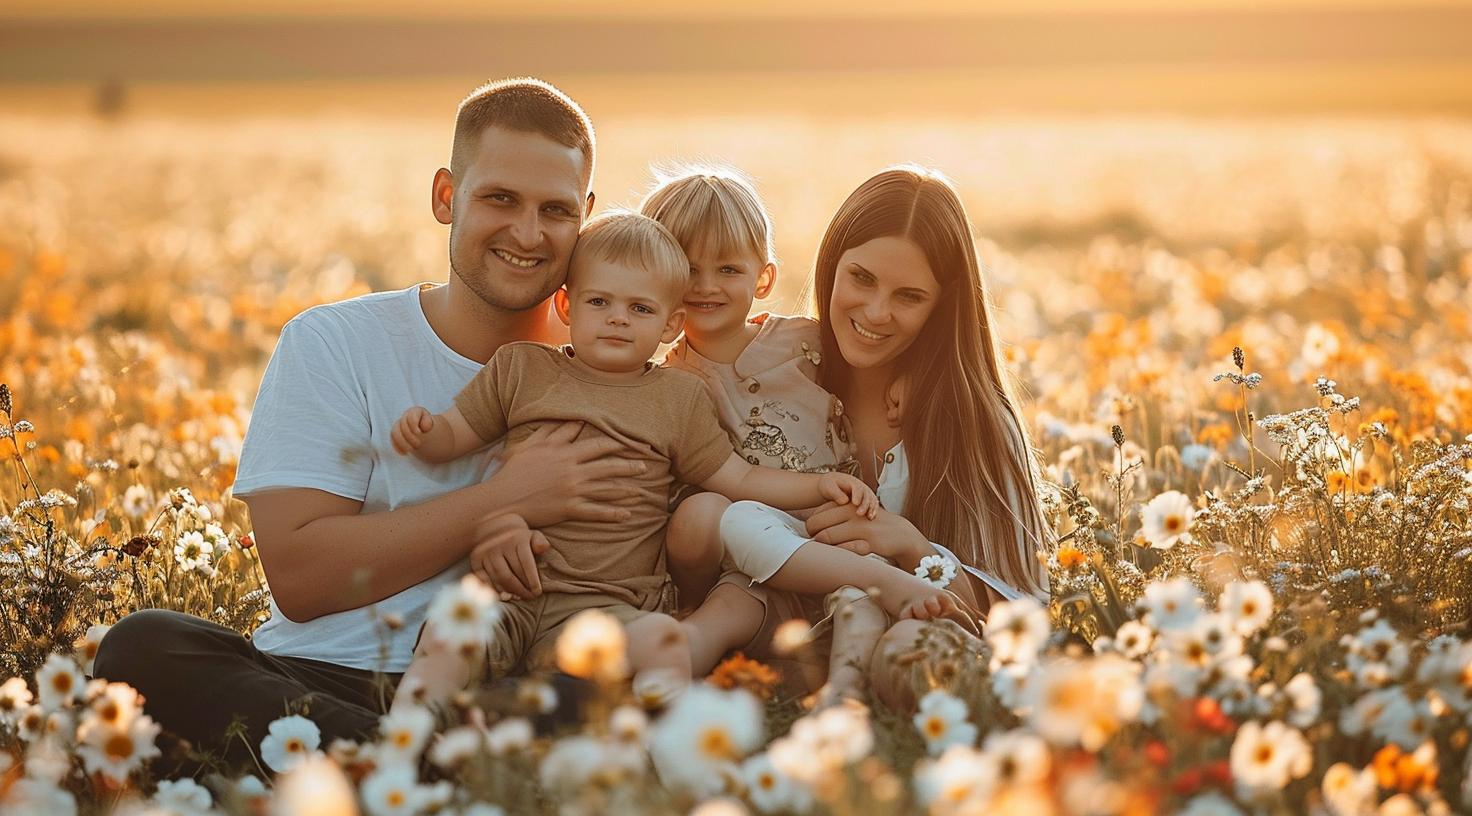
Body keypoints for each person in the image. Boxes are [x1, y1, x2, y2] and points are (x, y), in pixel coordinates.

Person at [92, 78, 637, 761]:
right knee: (144, 648)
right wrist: (504, 499)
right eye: (500, 198)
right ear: (446, 196)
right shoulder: (335, 342)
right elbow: (302, 579)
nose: (527, 234)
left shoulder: (617, 364)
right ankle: (428, 768)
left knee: (609, 686)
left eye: (555, 210)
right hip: (313, 681)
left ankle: (398, 769)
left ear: (584, 216)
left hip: (502, 685)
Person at [389, 210, 900, 707]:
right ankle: (412, 731)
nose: (617, 318)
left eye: (640, 309)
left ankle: (658, 744)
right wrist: (428, 433)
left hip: (609, 610)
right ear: (566, 307)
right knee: (452, 627)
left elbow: (738, 476)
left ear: (670, 324)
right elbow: (460, 432)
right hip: (509, 592)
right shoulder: (522, 369)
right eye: (599, 302)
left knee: (665, 640)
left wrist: (818, 486)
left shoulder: (677, 397)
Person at [678, 165, 1053, 708]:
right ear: (831, 267)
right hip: (769, 625)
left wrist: (910, 545)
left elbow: (1023, 606)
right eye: (861, 279)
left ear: (942, 306)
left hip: (904, 627)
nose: (876, 313)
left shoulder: (970, 418)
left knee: (907, 650)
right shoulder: (786, 369)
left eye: (909, 296)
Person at [638, 165, 974, 699]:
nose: (703, 286)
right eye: (686, 268)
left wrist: (912, 378)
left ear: (764, 279)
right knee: (728, 544)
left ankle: (840, 700)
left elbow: (871, 354)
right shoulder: (663, 383)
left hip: (841, 535)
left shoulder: (803, 343)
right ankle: (662, 680)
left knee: (856, 601)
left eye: (726, 268)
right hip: (754, 562)